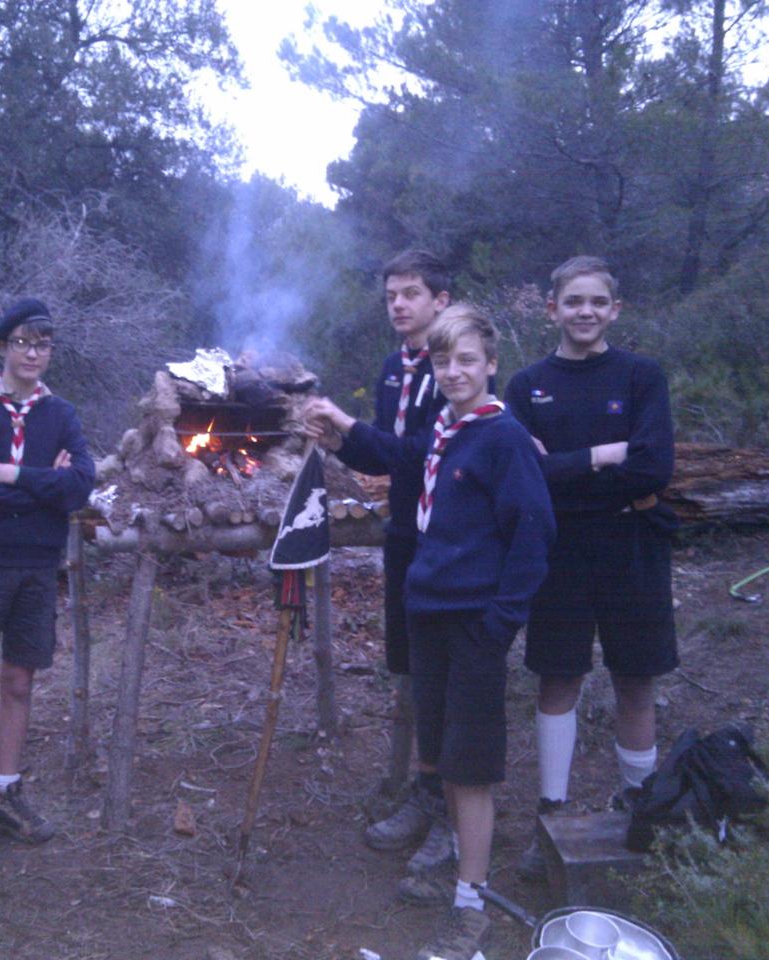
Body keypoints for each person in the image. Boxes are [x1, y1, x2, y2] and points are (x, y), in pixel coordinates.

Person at [308, 305, 555, 960]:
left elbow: (534, 535)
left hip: (474, 622)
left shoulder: (501, 438)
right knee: (444, 750)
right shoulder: (446, 428)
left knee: (471, 768)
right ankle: (456, 868)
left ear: (491, 363)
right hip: (431, 613)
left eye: (467, 360)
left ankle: (471, 906)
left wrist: (501, 622)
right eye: (443, 362)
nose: (454, 372)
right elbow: (399, 455)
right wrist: (342, 429)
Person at [504, 256, 677, 880]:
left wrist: (569, 467)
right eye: (572, 301)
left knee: (636, 677)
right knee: (558, 678)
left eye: (596, 302)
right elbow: (526, 474)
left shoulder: (641, 376)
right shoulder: (526, 386)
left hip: (633, 542)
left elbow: (655, 467)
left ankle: (642, 806)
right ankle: (550, 811)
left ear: (614, 310)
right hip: (560, 548)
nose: (585, 312)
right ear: (551, 308)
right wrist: (607, 453)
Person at [0, 297, 95, 860]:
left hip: (36, 566)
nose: (34, 353)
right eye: (24, 343)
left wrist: (10, 474)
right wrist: (41, 486)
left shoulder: (62, 416)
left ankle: (6, 792)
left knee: (20, 683)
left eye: (44, 344)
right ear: (3, 347)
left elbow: (80, 485)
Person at [326, 250, 455, 878]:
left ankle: (455, 814)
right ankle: (426, 790)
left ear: (441, 301)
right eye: (391, 296)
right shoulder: (391, 367)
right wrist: (342, 439)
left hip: (452, 538)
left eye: (411, 293)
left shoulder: (455, 366)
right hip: (403, 534)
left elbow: (426, 456)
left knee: (449, 673)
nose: (399, 305)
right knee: (409, 664)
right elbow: (386, 460)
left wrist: (351, 426)